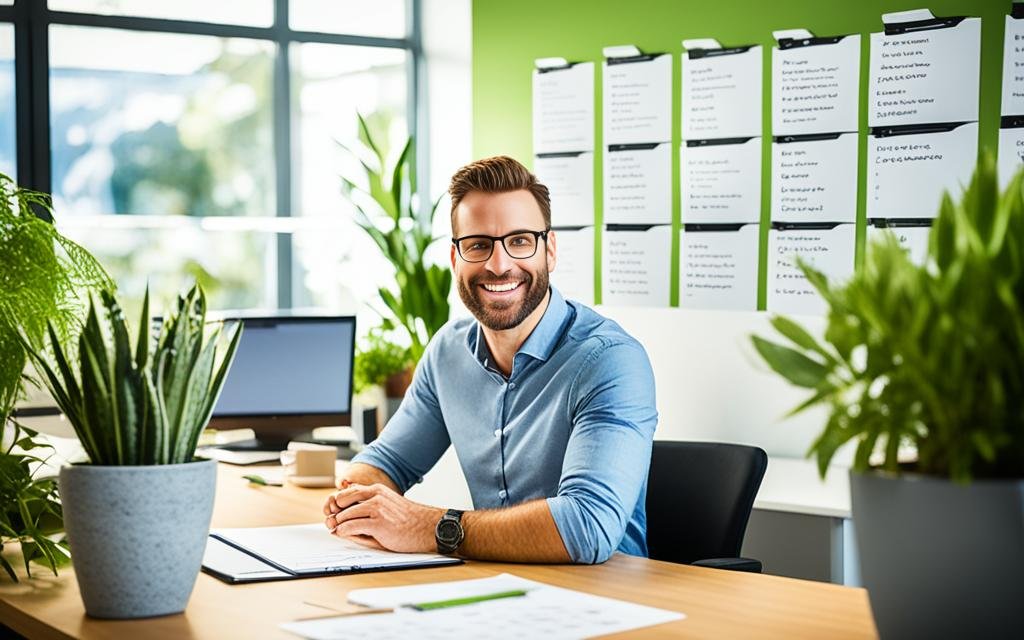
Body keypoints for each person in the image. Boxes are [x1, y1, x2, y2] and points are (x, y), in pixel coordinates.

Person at [323, 155, 657, 564]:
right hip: (491, 589)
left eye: (519, 241)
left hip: (607, 601)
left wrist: (426, 527)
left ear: (549, 251)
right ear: (455, 259)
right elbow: (384, 462)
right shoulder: (448, 352)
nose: (499, 265)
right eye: (478, 245)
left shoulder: (610, 361)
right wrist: (359, 499)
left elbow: (586, 528)